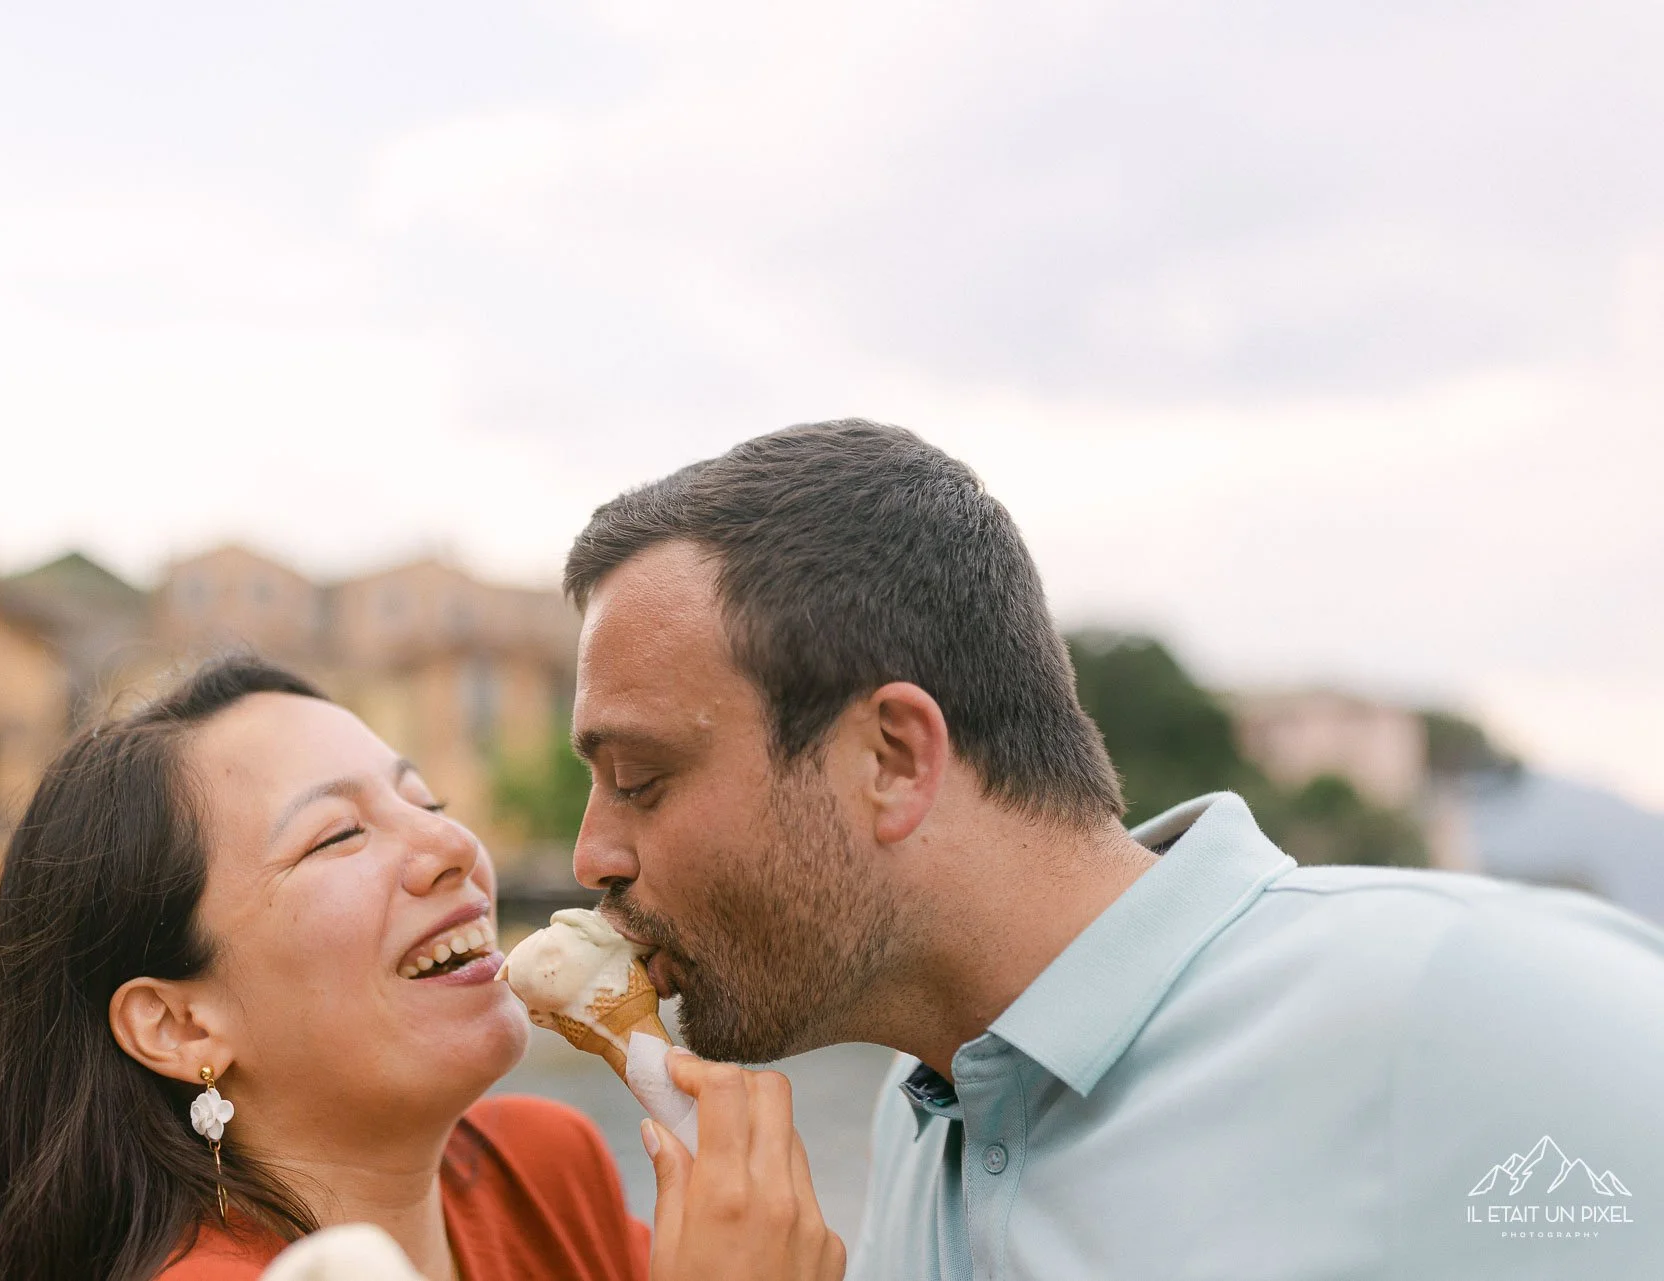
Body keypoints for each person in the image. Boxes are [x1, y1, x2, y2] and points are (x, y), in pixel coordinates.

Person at [562, 419, 1664, 1279]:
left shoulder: (1480, 1007)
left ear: (893, 758)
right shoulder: (923, 1122)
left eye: (641, 781)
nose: (590, 856)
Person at [0, 657, 843, 1281]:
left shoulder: (541, 1172)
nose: (453, 844)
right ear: (179, 1024)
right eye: (339, 834)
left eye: (428, 801)